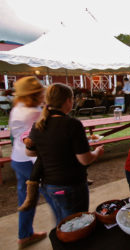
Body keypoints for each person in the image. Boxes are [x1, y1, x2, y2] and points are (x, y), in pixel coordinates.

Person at [26, 83, 104, 224]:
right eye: (72, 99)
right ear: (68, 100)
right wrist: (97, 152)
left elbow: (29, 152)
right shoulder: (73, 124)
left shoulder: (39, 124)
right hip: (71, 185)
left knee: (61, 223)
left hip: (49, 186)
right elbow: (85, 159)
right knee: (76, 224)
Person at [9, 76, 55, 249]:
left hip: (18, 160)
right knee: (53, 196)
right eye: (40, 92)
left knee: (27, 198)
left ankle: (25, 235)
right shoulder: (33, 113)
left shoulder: (17, 108)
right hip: (31, 162)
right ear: (34, 95)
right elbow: (41, 138)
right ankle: (64, 231)